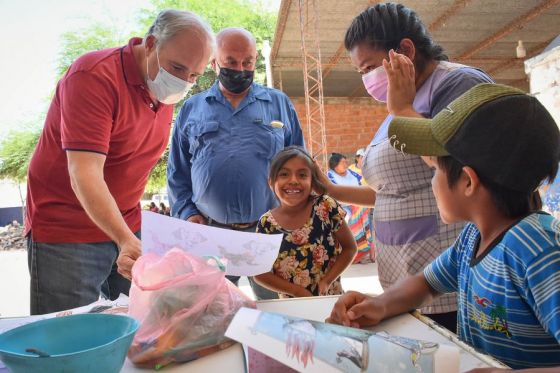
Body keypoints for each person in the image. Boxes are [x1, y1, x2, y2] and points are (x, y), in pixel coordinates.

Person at [327, 84, 560, 370]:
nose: (433, 181)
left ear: (468, 181)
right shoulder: (473, 237)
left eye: (435, 169)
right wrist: (380, 305)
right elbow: (425, 284)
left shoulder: (537, 248)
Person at [25, 9, 215, 315]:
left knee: (144, 324)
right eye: (177, 68)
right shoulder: (93, 76)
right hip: (67, 232)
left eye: (194, 75)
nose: (183, 82)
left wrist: (135, 236)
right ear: (151, 43)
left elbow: (129, 168)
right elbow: (84, 174)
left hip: (127, 225)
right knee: (72, 341)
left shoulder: (160, 91)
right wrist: (125, 239)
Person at [319, 2, 493, 332]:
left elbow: (456, 165)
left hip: (443, 279)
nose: (366, 78)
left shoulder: (458, 85)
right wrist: (327, 189)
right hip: (409, 281)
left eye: (369, 67)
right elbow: (388, 191)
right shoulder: (401, 100)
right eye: (360, 72)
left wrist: (402, 109)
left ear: (406, 50)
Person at [167, 27, 304, 300]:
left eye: (248, 62)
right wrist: (186, 212)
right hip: (210, 235)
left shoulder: (279, 104)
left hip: (269, 234)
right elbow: (178, 173)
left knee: (277, 312)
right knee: (208, 313)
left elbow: (300, 167)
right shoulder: (192, 109)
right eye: (231, 62)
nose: (240, 69)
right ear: (215, 62)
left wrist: (297, 217)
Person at [254, 146, 357, 297]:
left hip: (331, 300)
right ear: (271, 182)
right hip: (292, 307)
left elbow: (350, 248)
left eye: (302, 175)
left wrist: (327, 281)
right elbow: (260, 274)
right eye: (284, 174)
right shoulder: (266, 224)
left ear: (312, 182)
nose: (294, 180)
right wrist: (296, 291)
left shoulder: (325, 207)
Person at [327, 153, 373, 264]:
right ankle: (357, 252)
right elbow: (332, 197)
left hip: (357, 206)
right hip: (340, 207)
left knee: (362, 209)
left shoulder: (352, 174)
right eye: (343, 162)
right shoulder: (330, 176)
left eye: (346, 161)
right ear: (335, 165)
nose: (346, 164)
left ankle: (362, 251)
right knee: (359, 210)